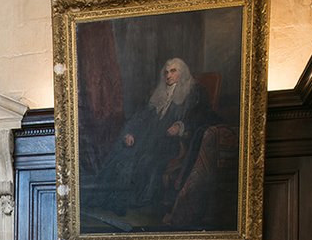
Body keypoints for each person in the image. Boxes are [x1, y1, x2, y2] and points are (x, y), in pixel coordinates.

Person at [84, 57, 218, 223]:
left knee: (145, 160)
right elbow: (141, 116)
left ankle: (127, 201)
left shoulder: (195, 91)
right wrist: (130, 132)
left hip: (171, 142)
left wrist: (181, 126)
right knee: (121, 154)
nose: (168, 75)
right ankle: (106, 200)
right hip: (148, 138)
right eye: (166, 72)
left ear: (182, 73)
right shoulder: (159, 92)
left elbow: (203, 115)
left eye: (173, 71)